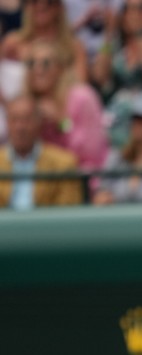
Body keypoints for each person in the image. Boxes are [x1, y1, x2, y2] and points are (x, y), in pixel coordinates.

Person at [90, 0, 142, 149]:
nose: (134, 15)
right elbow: (99, 77)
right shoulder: (116, 49)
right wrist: (109, 34)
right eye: (128, 10)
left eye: (141, 9)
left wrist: (140, 33)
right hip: (115, 116)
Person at [23, 37, 109, 172]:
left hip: (80, 177)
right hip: (39, 180)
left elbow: (91, 153)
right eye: (31, 63)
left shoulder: (82, 97)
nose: (37, 69)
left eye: (45, 63)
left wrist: (61, 122)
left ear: (60, 68)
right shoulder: (26, 104)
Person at [0, 94, 82, 208]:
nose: (20, 127)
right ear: (7, 124)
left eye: (26, 120)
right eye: (14, 120)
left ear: (39, 123)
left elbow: (67, 218)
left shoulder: (64, 164)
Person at [0, 0, 88, 85]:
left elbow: (80, 88)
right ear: (27, 6)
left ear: (59, 7)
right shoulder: (12, 43)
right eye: (34, 1)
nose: (41, 5)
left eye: (49, 2)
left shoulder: (73, 47)